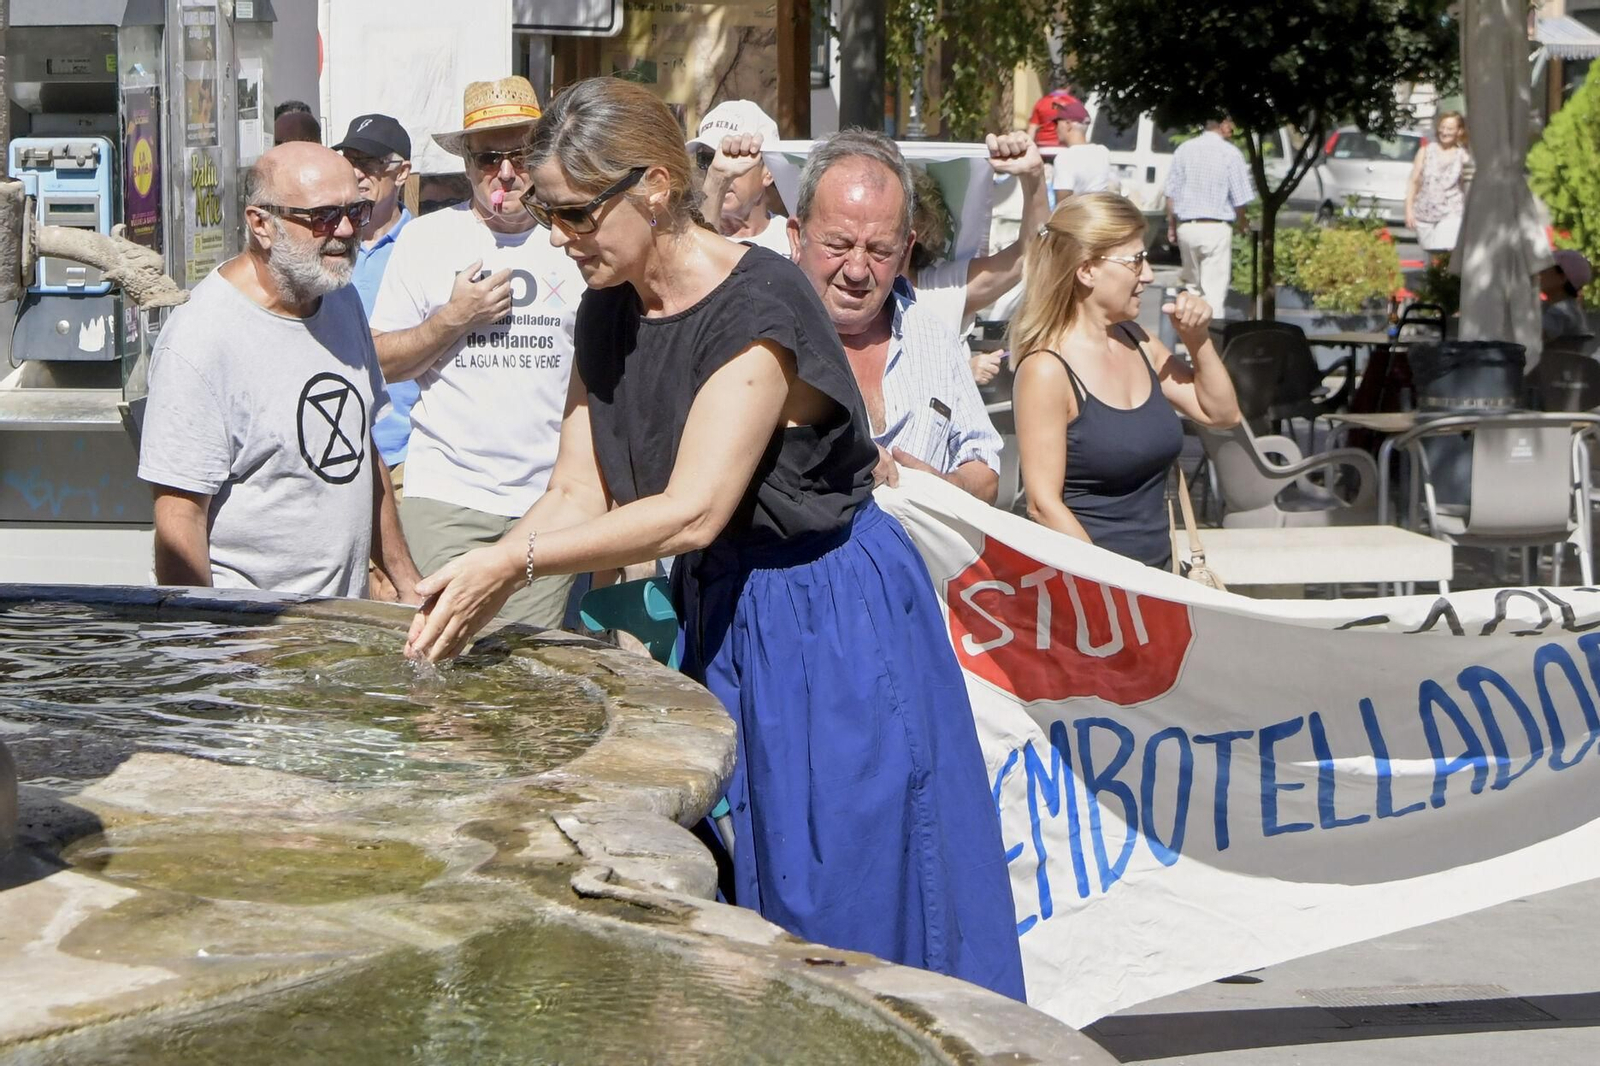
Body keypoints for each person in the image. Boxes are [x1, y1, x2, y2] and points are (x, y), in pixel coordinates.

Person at [401, 77, 1026, 1002]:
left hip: (830, 620)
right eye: (546, 210)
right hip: (726, 607)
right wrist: (475, 586)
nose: (556, 235)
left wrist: (512, 557)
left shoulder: (760, 306)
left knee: (843, 894)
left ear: (654, 187)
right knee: (741, 889)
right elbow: (577, 489)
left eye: (573, 212)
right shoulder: (607, 304)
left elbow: (694, 507)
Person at [139, 142, 420, 599]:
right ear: (261, 224)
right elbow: (179, 519)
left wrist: (407, 582)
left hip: (339, 630)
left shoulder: (340, 298)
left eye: (357, 210)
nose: (347, 230)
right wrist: (205, 643)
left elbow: (360, 448)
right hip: (249, 639)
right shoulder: (202, 341)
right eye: (324, 216)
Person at [368, 77, 583, 628]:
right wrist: (451, 320)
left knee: (532, 670)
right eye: (489, 158)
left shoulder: (577, 238)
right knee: (444, 660)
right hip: (448, 495)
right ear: (466, 164)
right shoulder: (427, 240)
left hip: (551, 499)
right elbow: (379, 361)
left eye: (521, 153)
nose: (505, 173)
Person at [1012, 192, 1241, 569]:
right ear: (1086, 270)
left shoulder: (1137, 340)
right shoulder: (1046, 369)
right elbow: (1043, 506)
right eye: (1136, 261)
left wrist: (1197, 341)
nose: (1148, 275)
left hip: (1158, 585)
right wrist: (1117, 589)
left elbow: (1222, 413)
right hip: (1087, 594)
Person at [788, 129, 1002, 503]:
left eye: (880, 251)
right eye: (837, 245)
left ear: (906, 252)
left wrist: (948, 488)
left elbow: (984, 466)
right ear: (796, 237)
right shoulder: (763, 338)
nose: (856, 269)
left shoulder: (934, 337)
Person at [335, 114, 417, 480]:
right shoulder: (326, 243)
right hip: (334, 450)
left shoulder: (426, 246)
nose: (356, 174)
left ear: (402, 172)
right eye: (349, 162)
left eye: (369, 164)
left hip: (405, 454)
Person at [909, 132, 1050, 337]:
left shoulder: (940, 288)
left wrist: (1034, 176)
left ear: (922, 226)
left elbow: (1029, 253)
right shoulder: (847, 287)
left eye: (903, 210)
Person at [1164, 116, 1255, 314]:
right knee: (1214, 291)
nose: (1233, 128)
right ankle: (1212, 338)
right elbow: (1239, 198)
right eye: (1230, 123)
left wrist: (1171, 226)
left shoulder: (1184, 150)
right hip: (1216, 227)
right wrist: (1243, 223)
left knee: (1192, 288)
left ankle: (1191, 334)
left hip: (1187, 227)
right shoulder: (1230, 153)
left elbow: (1171, 194)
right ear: (1222, 125)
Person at [688, 100, 791, 254]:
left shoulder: (792, 241)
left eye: (732, 156)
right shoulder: (684, 238)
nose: (717, 169)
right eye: (706, 159)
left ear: (768, 171)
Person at [1405, 111, 1470, 255]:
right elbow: (1414, 181)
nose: (1445, 132)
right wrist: (1409, 210)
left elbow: (1468, 184)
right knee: (1429, 254)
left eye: (1450, 129)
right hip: (1423, 213)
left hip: (1451, 212)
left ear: (1459, 131)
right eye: (1443, 127)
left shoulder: (1463, 156)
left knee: (1443, 250)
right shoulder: (1426, 151)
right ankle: (1434, 277)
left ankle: (1447, 275)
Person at [1050, 98, 1112, 199]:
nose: (1055, 128)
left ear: (1068, 124)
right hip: (1099, 211)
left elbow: (1062, 204)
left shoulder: (1065, 158)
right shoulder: (1102, 152)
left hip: (1077, 214)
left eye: (1057, 123)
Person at [1540, 249, 1592, 344]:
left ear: (1562, 277)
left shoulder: (1563, 311)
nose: (1539, 274)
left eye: (1545, 270)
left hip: (1552, 359)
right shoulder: (1567, 307)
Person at [1025, 76, 1079, 148]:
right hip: (1064, 146)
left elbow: (1032, 129)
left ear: (1051, 86)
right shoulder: (1073, 102)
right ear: (1068, 86)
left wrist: (1028, 148)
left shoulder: (1041, 103)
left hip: (1043, 146)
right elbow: (1079, 128)